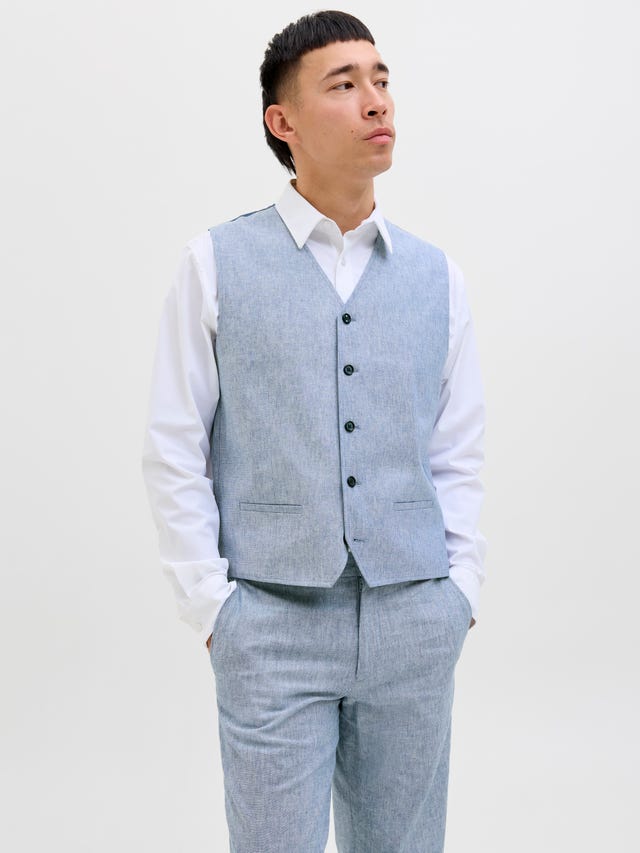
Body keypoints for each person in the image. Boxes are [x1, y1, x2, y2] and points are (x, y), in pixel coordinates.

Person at [141, 9, 487, 852]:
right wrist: (215, 608)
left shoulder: (438, 276)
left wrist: (460, 592)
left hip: (414, 618)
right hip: (271, 624)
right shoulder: (215, 263)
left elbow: (457, 450)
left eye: (381, 79)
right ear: (283, 121)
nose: (376, 100)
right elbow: (174, 445)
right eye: (344, 83)